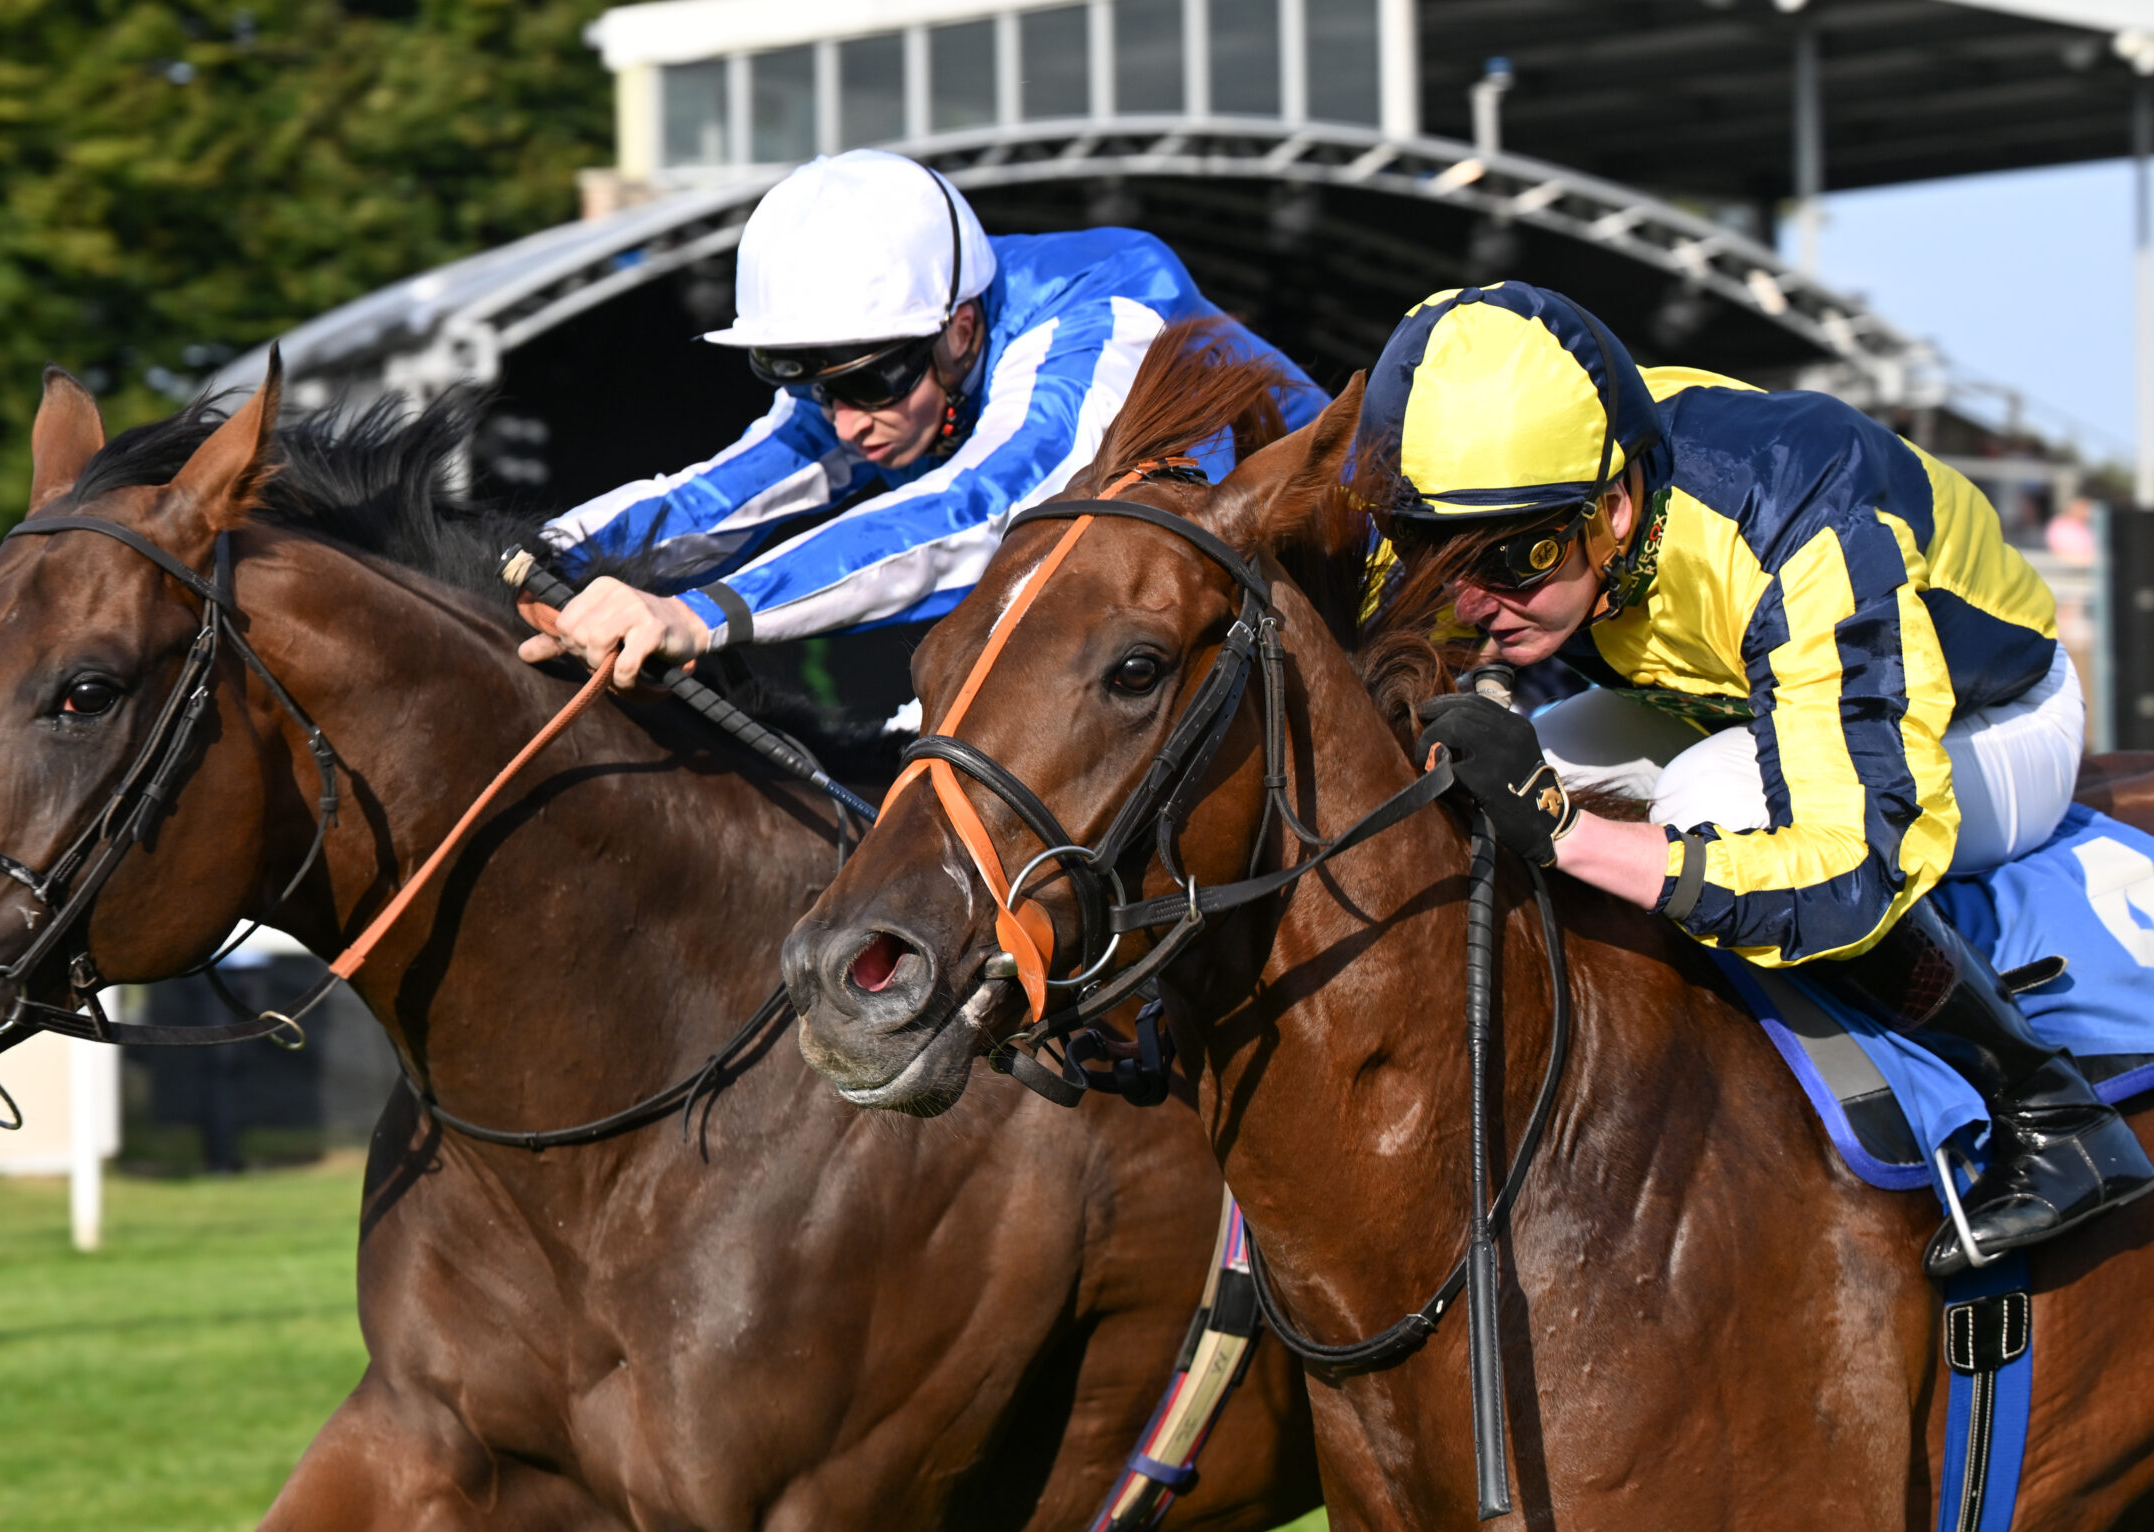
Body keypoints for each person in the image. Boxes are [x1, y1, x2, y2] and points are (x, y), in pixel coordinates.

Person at [1349, 280, 2151, 1278]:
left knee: (1708, 806)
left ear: (1613, 504)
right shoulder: (1520, 488)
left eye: (1515, 557)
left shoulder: (1799, 513)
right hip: (1731, 698)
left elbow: (1846, 870)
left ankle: (2050, 1105)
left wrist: (1570, 833)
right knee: (1487, 785)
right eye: (1435, 555)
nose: (1473, 604)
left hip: (1989, 712)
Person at [524, 149, 1326, 684]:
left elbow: (977, 513)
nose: (844, 424)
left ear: (961, 331)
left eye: (870, 383)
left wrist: (696, 615)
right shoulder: (894, 350)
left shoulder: (1112, 308)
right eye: (813, 386)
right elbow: (724, 490)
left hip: (1368, 593)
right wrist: (537, 557)